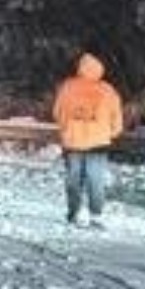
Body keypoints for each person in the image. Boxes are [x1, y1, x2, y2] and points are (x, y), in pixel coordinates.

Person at [51, 52, 124, 229]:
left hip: (73, 142)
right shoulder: (107, 90)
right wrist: (112, 133)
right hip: (98, 142)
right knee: (96, 180)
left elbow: (57, 113)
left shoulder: (67, 87)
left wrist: (67, 129)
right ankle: (96, 215)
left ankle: (74, 212)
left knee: (74, 179)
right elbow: (116, 117)